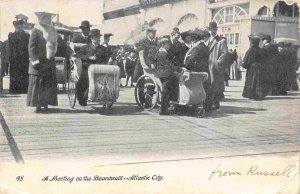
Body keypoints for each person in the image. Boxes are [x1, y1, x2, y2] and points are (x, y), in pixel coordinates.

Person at [27, 12, 58, 112]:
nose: (49, 20)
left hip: (49, 61)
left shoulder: (53, 31)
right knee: (38, 84)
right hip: (39, 61)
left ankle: (45, 104)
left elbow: (57, 44)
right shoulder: (36, 30)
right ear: (41, 19)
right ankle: (37, 105)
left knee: (47, 83)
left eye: (49, 18)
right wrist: (34, 59)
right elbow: (31, 47)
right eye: (46, 18)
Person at [75, 29, 109, 106]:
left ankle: (105, 96)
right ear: (91, 38)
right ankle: (81, 98)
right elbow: (78, 55)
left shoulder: (103, 49)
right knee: (83, 81)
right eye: (96, 37)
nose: (98, 39)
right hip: (87, 68)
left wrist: (110, 59)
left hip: (100, 69)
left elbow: (108, 56)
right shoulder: (85, 47)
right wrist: (88, 57)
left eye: (99, 37)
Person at [184, 28, 211, 112]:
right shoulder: (205, 47)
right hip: (205, 71)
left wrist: (185, 66)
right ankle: (206, 106)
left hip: (196, 71)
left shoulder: (197, 48)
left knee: (196, 87)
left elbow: (191, 60)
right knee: (204, 88)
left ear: (194, 40)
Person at [156, 38, 181, 115]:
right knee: (166, 91)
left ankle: (166, 107)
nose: (169, 46)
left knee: (166, 90)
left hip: (162, 73)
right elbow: (169, 65)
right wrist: (178, 69)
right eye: (168, 44)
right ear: (163, 45)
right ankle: (164, 109)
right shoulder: (163, 53)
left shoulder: (160, 52)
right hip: (166, 74)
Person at [207, 21, 228, 110]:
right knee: (209, 85)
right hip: (207, 66)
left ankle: (216, 103)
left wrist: (218, 63)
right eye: (211, 29)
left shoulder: (221, 41)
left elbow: (224, 53)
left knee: (215, 85)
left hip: (215, 67)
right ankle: (209, 103)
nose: (212, 31)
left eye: (214, 29)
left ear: (216, 29)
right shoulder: (207, 40)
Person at [8, 19, 30, 93]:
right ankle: (14, 89)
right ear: (15, 27)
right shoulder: (11, 35)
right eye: (18, 26)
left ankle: (24, 89)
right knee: (14, 74)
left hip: (24, 58)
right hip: (14, 59)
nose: (20, 27)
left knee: (24, 73)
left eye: (21, 26)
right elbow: (10, 47)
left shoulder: (27, 36)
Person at [242, 35, 265, 100]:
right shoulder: (261, 50)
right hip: (259, 67)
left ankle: (250, 94)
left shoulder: (251, 50)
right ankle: (258, 94)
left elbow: (246, 59)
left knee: (251, 81)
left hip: (252, 67)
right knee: (258, 81)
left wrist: (245, 65)